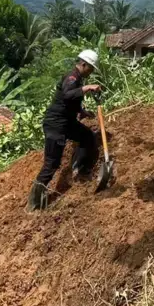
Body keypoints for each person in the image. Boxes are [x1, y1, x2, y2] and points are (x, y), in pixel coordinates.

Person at [27, 49, 101, 211]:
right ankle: (33, 203)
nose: (92, 71)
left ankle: (79, 169)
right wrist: (87, 88)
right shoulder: (72, 77)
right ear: (83, 64)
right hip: (55, 124)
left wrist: (82, 112)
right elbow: (67, 95)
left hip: (66, 122)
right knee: (51, 164)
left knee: (87, 136)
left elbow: (69, 102)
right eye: (91, 68)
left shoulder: (78, 79)